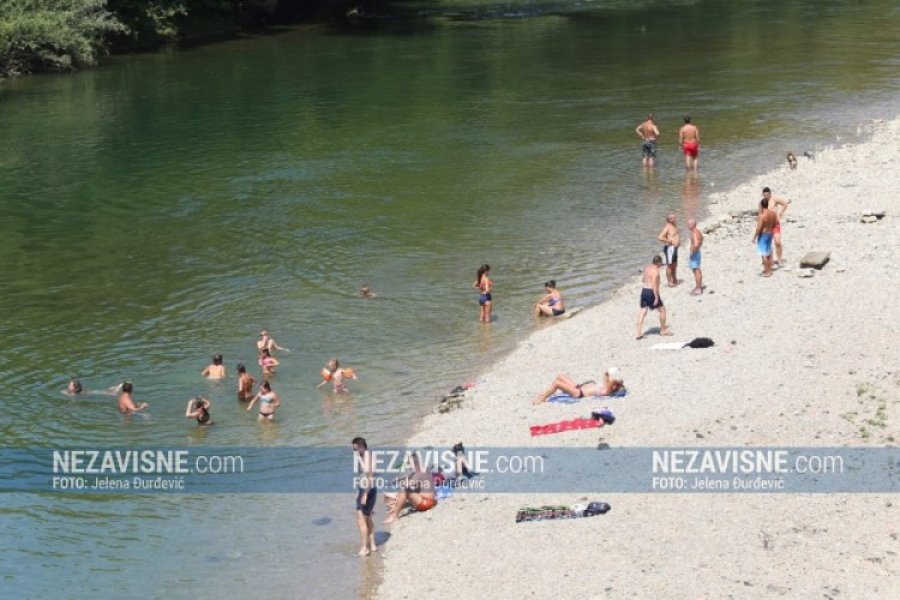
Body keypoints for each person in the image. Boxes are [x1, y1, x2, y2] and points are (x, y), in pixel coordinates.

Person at [383, 453, 436, 525]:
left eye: (409, 463)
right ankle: (396, 508)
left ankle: (394, 515)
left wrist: (398, 484)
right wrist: (396, 480)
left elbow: (407, 484)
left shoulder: (419, 472)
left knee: (405, 490)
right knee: (408, 491)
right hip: (432, 501)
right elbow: (409, 476)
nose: (408, 466)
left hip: (426, 503)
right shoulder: (424, 468)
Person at [534, 367, 624, 404]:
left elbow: (612, 380)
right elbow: (606, 374)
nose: (614, 385)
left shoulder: (607, 391)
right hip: (578, 386)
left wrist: (619, 383)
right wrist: (613, 369)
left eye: (616, 386)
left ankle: (542, 398)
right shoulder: (606, 385)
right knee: (560, 376)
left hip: (578, 393)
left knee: (557, 384)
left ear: (615, 388)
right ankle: (544, 394)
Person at [352, 437, 378, 556]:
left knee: (360, 520)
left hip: (367, 491)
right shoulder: (365, 456)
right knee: (367, 518)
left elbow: (371, 477)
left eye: (356, 449)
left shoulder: (367, 458)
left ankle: (364, 548)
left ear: (362, 447)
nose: (355, 452)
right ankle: (372, 545)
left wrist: (365, 495)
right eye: (354, 450)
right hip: (368, 490)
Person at [636, 256, 671, 339]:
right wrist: (656, 297)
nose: (660, 266)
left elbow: (643, 280)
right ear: (658, 262)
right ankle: (663, 330)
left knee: (643, 311)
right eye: (660, 264)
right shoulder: (656, 271)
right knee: (662, 310)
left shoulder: (646, 268)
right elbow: (655, 284)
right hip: (651, 292)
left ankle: (638, 332)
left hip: (644, 291)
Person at [761, 187, 791, 266]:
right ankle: (770, 260)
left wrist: (780, 214)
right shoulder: (763, 203)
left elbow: (784, 204)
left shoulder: (774, 199)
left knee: (778, 242)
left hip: (775, 224)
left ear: (770, 193)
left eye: (767, 195)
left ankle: (779, 259)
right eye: (764, 195)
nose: (766, 196)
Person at [753, 198, 778, 277]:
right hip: (770, 234)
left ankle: (768, 271)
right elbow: (775, 224)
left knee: (763, 254)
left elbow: (759, 228)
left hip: (763, 235)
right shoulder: (773, 214)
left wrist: (754, 237)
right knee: (769, 251)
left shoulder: (762, 216)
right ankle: (770, 269)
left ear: (761, 205)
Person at [657, 214, 682, 287]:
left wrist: (678, 242)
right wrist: (668, 240)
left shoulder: (674, 225)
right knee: (670, 265)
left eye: (675, 217)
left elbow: (675, 235)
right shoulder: (667, 227)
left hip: (675, 248)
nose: (675, 218)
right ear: (669, 219)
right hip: (670, 248)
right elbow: (660, 237)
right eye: (673, 218)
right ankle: (669, 282)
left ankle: (674, 279)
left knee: (674, 264)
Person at [687, 219, 704, 295]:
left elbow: (696, 244)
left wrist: (692, 252)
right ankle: (698, 286)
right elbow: (701, 241)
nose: (687, 225)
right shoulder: (698, 231)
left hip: (695, 253)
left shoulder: (694, 232)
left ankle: (698, 288)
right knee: (697, 270)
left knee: (696, 270)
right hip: (697, 252)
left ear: (693, 225)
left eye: (689, 224)